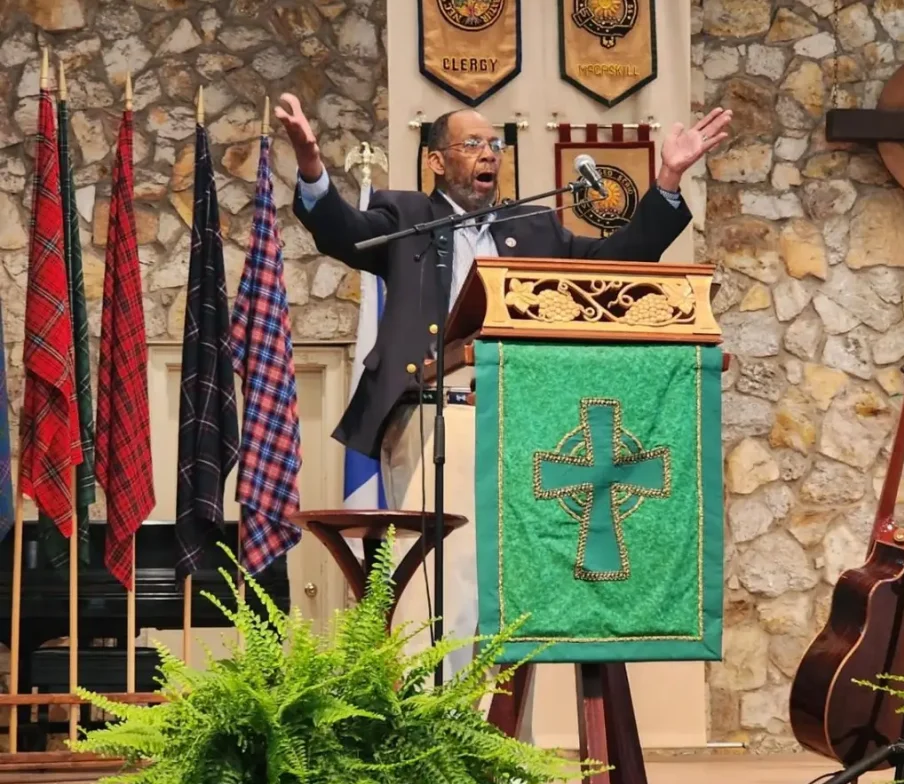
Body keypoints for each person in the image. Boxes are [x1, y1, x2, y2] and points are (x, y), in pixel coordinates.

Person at [278, 96, 731, 683]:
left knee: (507, 584)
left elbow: (618, 263)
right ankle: (428, 729)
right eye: (472, 145)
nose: (488, 155)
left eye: (494, 145)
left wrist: (667, 180)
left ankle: (500, 744)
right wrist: (312, 167)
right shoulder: (406, 214)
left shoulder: (532, 226)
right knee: (438, 578)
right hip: (429, 420)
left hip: (517, 421)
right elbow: (342, 231)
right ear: (437, 161)